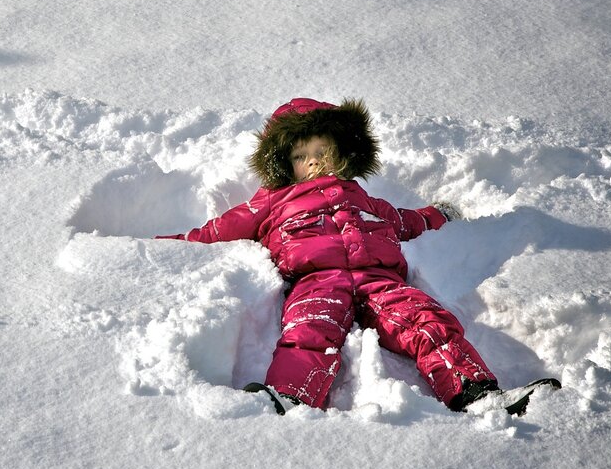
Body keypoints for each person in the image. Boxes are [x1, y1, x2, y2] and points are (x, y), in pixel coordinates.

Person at [156, 98, 557, 415]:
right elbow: (215, 231)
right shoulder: (270, 202)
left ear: (341, 154)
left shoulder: (361, 198)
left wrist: (439, 214)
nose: (313, 160)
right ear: (284, 164)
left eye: (322, 150)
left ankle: (475, 391)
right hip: (318, 280)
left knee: (427, 321)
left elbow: (405, 221)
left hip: (380, 278)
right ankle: (289, 398)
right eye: (301, 155)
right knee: (309, 331)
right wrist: (160, 245)